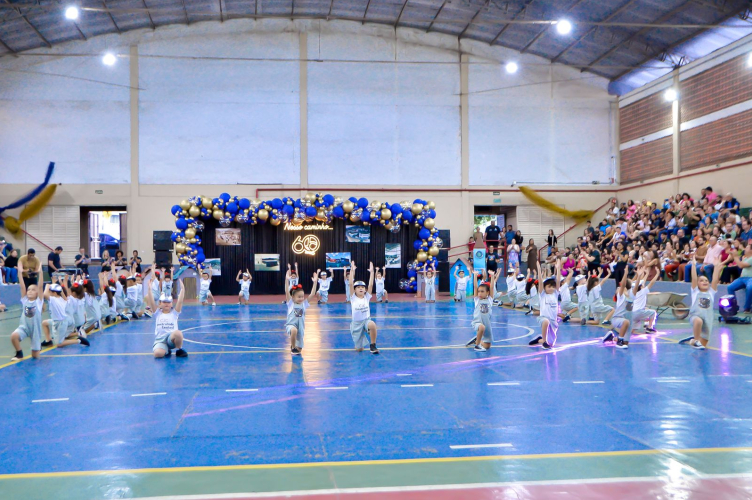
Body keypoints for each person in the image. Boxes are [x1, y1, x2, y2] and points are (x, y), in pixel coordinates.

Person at [679, 255, 722, 350]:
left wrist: (716, 267)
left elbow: (715, 279)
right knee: (698, 321)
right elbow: (694, 278)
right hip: (695, 316)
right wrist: (694, 265)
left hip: (708, 320)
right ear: (697, 284)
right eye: (701, 281)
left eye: (706, 280)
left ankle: (693, 340)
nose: (705, 282)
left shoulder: (711, 293)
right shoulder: (695, 292)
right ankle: (696, 339)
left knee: (703, 345)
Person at [145, 274, 187, 358]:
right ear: (160, 303)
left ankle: (179, 349)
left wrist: (182, 290)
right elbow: (151, 301)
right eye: (164, 302)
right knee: (158, 354)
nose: (166, 304)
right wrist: (149, 289)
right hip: (160, 340)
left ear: (171, 304)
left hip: (171, 339)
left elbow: (180, 302)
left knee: (178, 333)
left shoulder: (174, 313)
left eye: (168, 302)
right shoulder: (157, 313)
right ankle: (166, 350)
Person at [42, 276, 90, 349]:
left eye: (50, 291)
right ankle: (48, 340)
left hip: (60, 322)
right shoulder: (63, 299)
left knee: (59, 344)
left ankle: (78, 341)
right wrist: (56, 284)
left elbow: (45, 294)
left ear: (54, 293)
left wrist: (47, 285)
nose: (49, 292)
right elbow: (62, 292)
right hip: (66, 320)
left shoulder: (54, 300)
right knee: (45, 323)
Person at [9, 263, 44, 360]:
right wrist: (20, 273)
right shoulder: (25, 301)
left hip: (35, 330)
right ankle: (19, 353)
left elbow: (40, 286)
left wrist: (40, 272)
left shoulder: (38, 302)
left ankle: (38, 348)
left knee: (35, 356)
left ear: (37, 293)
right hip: (24, 327)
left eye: (33, 290)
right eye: (29, 290)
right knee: (14, 336)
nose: (30, 291)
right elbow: (22, 287)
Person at [284, 268, 318, 355]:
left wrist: (315, 282)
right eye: (299, 297)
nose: (301, 298)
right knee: (294, 330)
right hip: (291, 325)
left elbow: (312, 294)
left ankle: (296, 347)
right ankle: (293, 347)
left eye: (302, 296)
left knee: (299, 349)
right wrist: (286, 280)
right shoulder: (290, 304)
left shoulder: (304, 304)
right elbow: (287, 292)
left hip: (301, 327)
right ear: (293, 297)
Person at [528, 259, 561, 350]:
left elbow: (558, 281)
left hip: (553, 321)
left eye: (553, 287)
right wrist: (539, 269)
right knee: (546, 321)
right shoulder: (542, 295)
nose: (551, 288)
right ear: (545, 287)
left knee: (551, 343)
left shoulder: (555, 294)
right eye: (549, 287)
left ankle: (540, 339)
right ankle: (544, 341)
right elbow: (540, 282)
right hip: (543, 318)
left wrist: (558, 269)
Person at [347, 262, 379, 354]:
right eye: (358, 287)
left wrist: (372, 272)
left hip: (366, 320)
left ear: (365, 290)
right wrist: (352, 270)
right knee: (359, 349)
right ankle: (359, 344)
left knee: (372, 324)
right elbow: (350, 283)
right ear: (355, 290)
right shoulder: (353, 297)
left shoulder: (367, 297)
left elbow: (371, 285)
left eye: (362, 287)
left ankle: (373, 345)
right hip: (356, 324)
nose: (361, 288)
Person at [465, 270, 498, 352]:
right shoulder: (477, 300)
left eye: (482, 291)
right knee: (481, 327)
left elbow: (491, 287)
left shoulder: (490, 300)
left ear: (487, 293)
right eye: (479, 291)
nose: (479, 293)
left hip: (487, 325)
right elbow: (475, 287)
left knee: (487, 346)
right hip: (477, 322)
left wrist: (492, 276)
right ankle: (477, 346)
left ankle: (477, 340)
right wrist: (475, 276)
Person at [603, 266, 634, 349]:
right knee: (626, 322)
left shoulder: (630, 296)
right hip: (617, 319)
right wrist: (625, 274)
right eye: (618, 288)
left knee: (626, 343)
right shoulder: (621, 296)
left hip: (626, 320)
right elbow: (623, 284)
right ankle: (619, 341)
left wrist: (639, 275)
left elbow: (632, 284)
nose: (619, 288)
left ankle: (611, 338)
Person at [631, 269, 660, 333]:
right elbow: (651, 283)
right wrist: (657, 274)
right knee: (653, 313)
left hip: (632, 313)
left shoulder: (633, 293)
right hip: (639, 312)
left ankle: (645, 325)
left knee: (632, 330)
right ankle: (649, 327)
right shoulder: (643, 291)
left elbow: (642, 282)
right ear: (641, 287)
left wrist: (646, 274)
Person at [727, 242, 752, 314]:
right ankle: (734, 306)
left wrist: (735, 256)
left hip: (750, 278)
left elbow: (741, 265)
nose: (745, 249)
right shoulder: (745, 258)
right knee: (730, 287)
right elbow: (740, 266)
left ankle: (747, 308)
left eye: (747, 248)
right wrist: (732, 254)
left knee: (750, 288)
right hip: (742, 278)